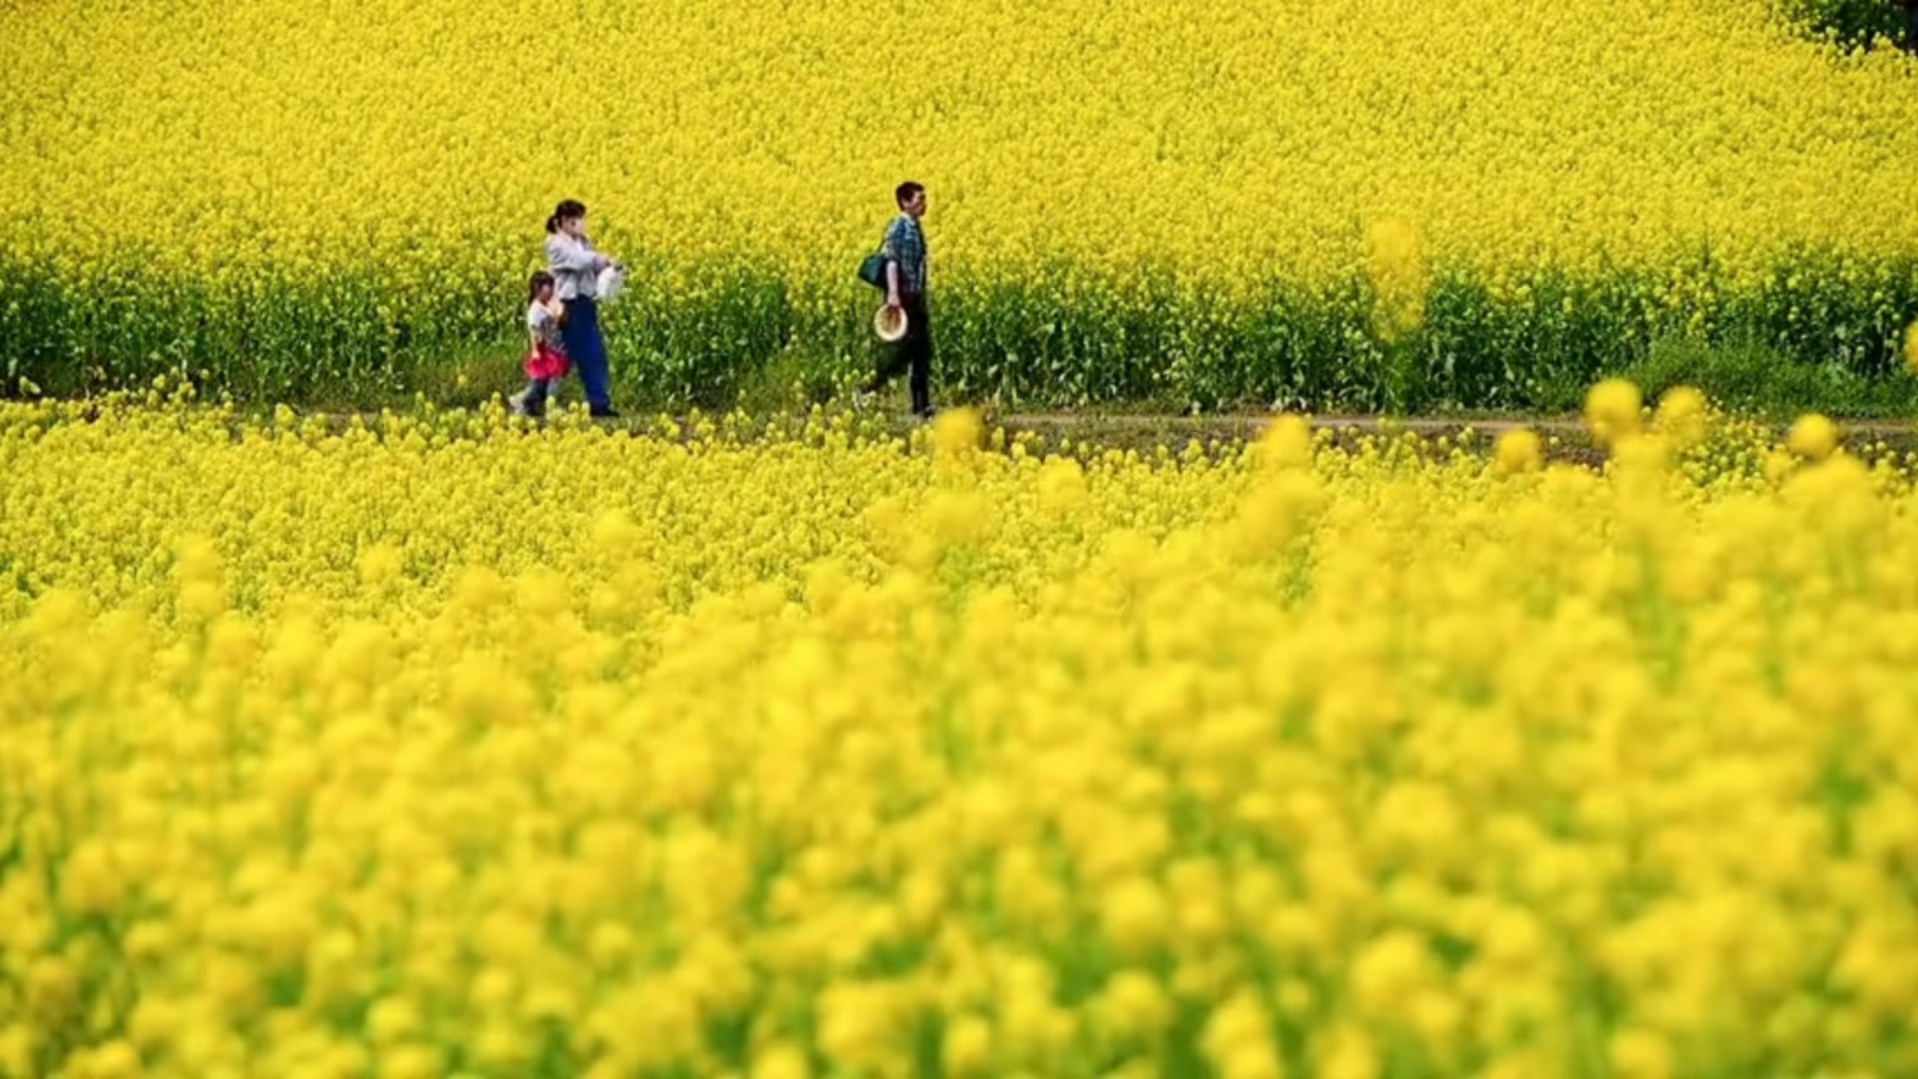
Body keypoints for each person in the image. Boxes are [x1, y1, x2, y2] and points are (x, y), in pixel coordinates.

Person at [543, 199, 621, 419]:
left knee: (594, 354)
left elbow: (591, 264)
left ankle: (599, 403)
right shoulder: (555, 243)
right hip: (567, 305)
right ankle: (538, 398)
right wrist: (600, 258)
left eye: (581, 219)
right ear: (563, 222)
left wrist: (610, 267)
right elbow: (576, 261)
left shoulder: (583, 242)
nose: (581, 224)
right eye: (576, 219)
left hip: (585, 303)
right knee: (564, 358)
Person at [862, 182, 934, 418]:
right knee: (903, 354)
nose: (924, 203)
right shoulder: (899, 227)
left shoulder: (915, 226)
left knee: (921, 352)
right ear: (905, 202)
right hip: (902, 299)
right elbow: (891, 260)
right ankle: (866, 388)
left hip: (915, 298)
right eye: (919, 199)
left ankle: (921, 405)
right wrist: (893, 294)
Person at [511, 271, 569, 417]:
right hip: (546, 351)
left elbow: (558, 320)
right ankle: (549, 407)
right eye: (548, 286)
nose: (551, 289)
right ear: (538, 288)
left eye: (552, 285)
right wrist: (536, 349)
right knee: (551, 380)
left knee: (541, 383)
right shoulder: (535, 309)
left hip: (557, 349)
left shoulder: (547, 304)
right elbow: (533, 330)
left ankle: (525, 402)